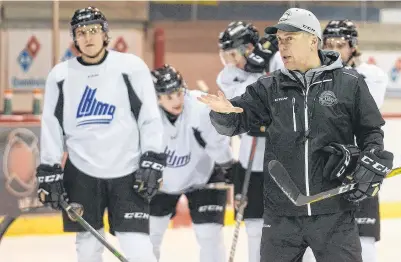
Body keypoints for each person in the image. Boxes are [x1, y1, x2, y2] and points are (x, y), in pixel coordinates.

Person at [198, 8, 394, 262]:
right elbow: (237, 121)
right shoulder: (269, 87)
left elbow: (370, 131)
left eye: (289, 39)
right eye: (279, 40)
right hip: (281, 217)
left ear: (313, 40)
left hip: (334, 213)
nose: (282, 46)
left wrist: (372, 156)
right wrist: (223, 114)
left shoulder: (350, 82)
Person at [36, 6, 166, 262]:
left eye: (94, 30)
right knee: (87, 249)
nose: (88, 37)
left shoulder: (131, 67)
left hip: (128, 172)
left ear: (105, 33)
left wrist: (153, 157)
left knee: (138, 248)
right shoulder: (60, 76)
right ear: (74, 38)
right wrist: (48, 167)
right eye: (81, 32)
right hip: (82, 173)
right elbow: (51, 125)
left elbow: (149, 117)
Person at [303, 19, 389, 262]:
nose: (333, 49)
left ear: (353, 47)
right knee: (314, 243)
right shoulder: (308, 77)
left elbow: (359, 113)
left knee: (364, 241)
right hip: (323, 171)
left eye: (339, 44)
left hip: (362, 169)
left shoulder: (373, 75)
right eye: (328, 43)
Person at [148, 65, 234, 262]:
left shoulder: (200, 106)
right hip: (162, 182)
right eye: (169, 96)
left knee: (209, 235)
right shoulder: (146, 116)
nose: (176, 100)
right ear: (157, 98)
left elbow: (217, 143)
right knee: (149, 236)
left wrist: (227, 164)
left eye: (178, 93)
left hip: (204, 176)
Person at [217, 20, 284, 262]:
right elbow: (240, 103)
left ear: (249, 48)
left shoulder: (278, 60)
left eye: (233, 53)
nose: (231, 61)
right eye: (226, 55)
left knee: (294, 228)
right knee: (254, 227)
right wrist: (257, 71)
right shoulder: (228, 76)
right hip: (251, 162)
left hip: (285, 162)